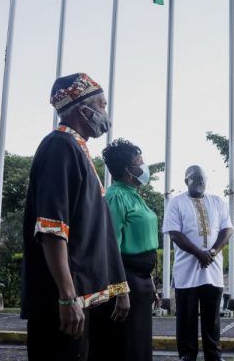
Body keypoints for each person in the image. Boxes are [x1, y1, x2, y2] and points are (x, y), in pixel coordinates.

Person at [21, 73, 130, 361]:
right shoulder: (60, 147)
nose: (106, 114)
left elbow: (99, 231)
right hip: (62, 303)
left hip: (78, 301)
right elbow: (51, 229)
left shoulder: (76, 148)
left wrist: (119, 288)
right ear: (84, 110)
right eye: (102, 105)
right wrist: (67, 297)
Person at [94, 138, 160, 361]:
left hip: (139, 281)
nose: (144, 167)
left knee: (139, 346)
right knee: (124, 347)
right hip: (124, 283)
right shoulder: (115, 196)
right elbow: (109, 247)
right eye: (140, 163)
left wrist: (149, 278)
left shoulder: (134, 194)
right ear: (127, 169)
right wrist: (120, 292)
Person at [162, 165, 233, 361]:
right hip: (187, 272)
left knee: (212, 319)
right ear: (186, 181)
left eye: (203, 179)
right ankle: (187, 355)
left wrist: (212, 252)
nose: (200, 182)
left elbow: (227, 229)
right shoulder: (176, 203)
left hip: (213, 269)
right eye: (195, 179)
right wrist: (199, 254)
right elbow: (175, 234)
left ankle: (214, 355)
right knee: (187, 318)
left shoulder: (217, 202)